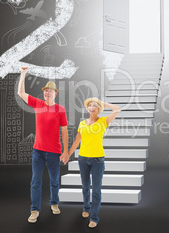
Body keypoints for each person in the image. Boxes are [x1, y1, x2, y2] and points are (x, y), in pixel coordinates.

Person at [18, 66, 69, 223]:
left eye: (51, 91)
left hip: (54, 152)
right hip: (38, 151)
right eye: (46, 91)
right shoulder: (38, 104)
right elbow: (21, 93)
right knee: (36, 181)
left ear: (55, 94)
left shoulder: (60, 110)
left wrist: (66, 152)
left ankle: (54, 203)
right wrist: (23, 73)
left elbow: (65, 132)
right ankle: (34, 209)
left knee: (54, 180)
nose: (48, 93)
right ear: (44, 93)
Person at [66, 97, 121, 228]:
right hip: (82, 159)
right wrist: (68, 154)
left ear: (98, 109)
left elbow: (117, 109)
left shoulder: (104, 121)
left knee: (96, 190)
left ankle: (94, 217)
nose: (91, 107)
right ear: (87, 108)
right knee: (85, 186)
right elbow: (76, 141)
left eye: (94, 106)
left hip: (98, 160)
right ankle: (86, 208)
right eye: (89, 105)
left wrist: (103, 103)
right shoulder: (82, 123)